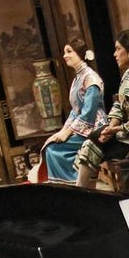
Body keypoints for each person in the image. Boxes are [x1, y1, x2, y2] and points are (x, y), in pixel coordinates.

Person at [75, 29, 129, 190]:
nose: (114, 54)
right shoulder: (128, 75)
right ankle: (86, 190)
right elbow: (119, 105)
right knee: (93, 138)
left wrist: (116, 130)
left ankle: (81, 190)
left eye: (118, 49)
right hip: (123, 131)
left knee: (94, 146)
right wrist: (110, 126)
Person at [37, 38, 107, 183]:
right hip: (83, 126)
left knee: (53, 150)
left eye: (69, 51)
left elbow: (89, 113)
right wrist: (63, 131)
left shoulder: (91, 78)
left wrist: (68, 132)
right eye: (64, 52)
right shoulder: (78, 79)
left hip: (96, 128)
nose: (65, 56)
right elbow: (75, 111)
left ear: (80, 54)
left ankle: (75, 185)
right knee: (51, 145)